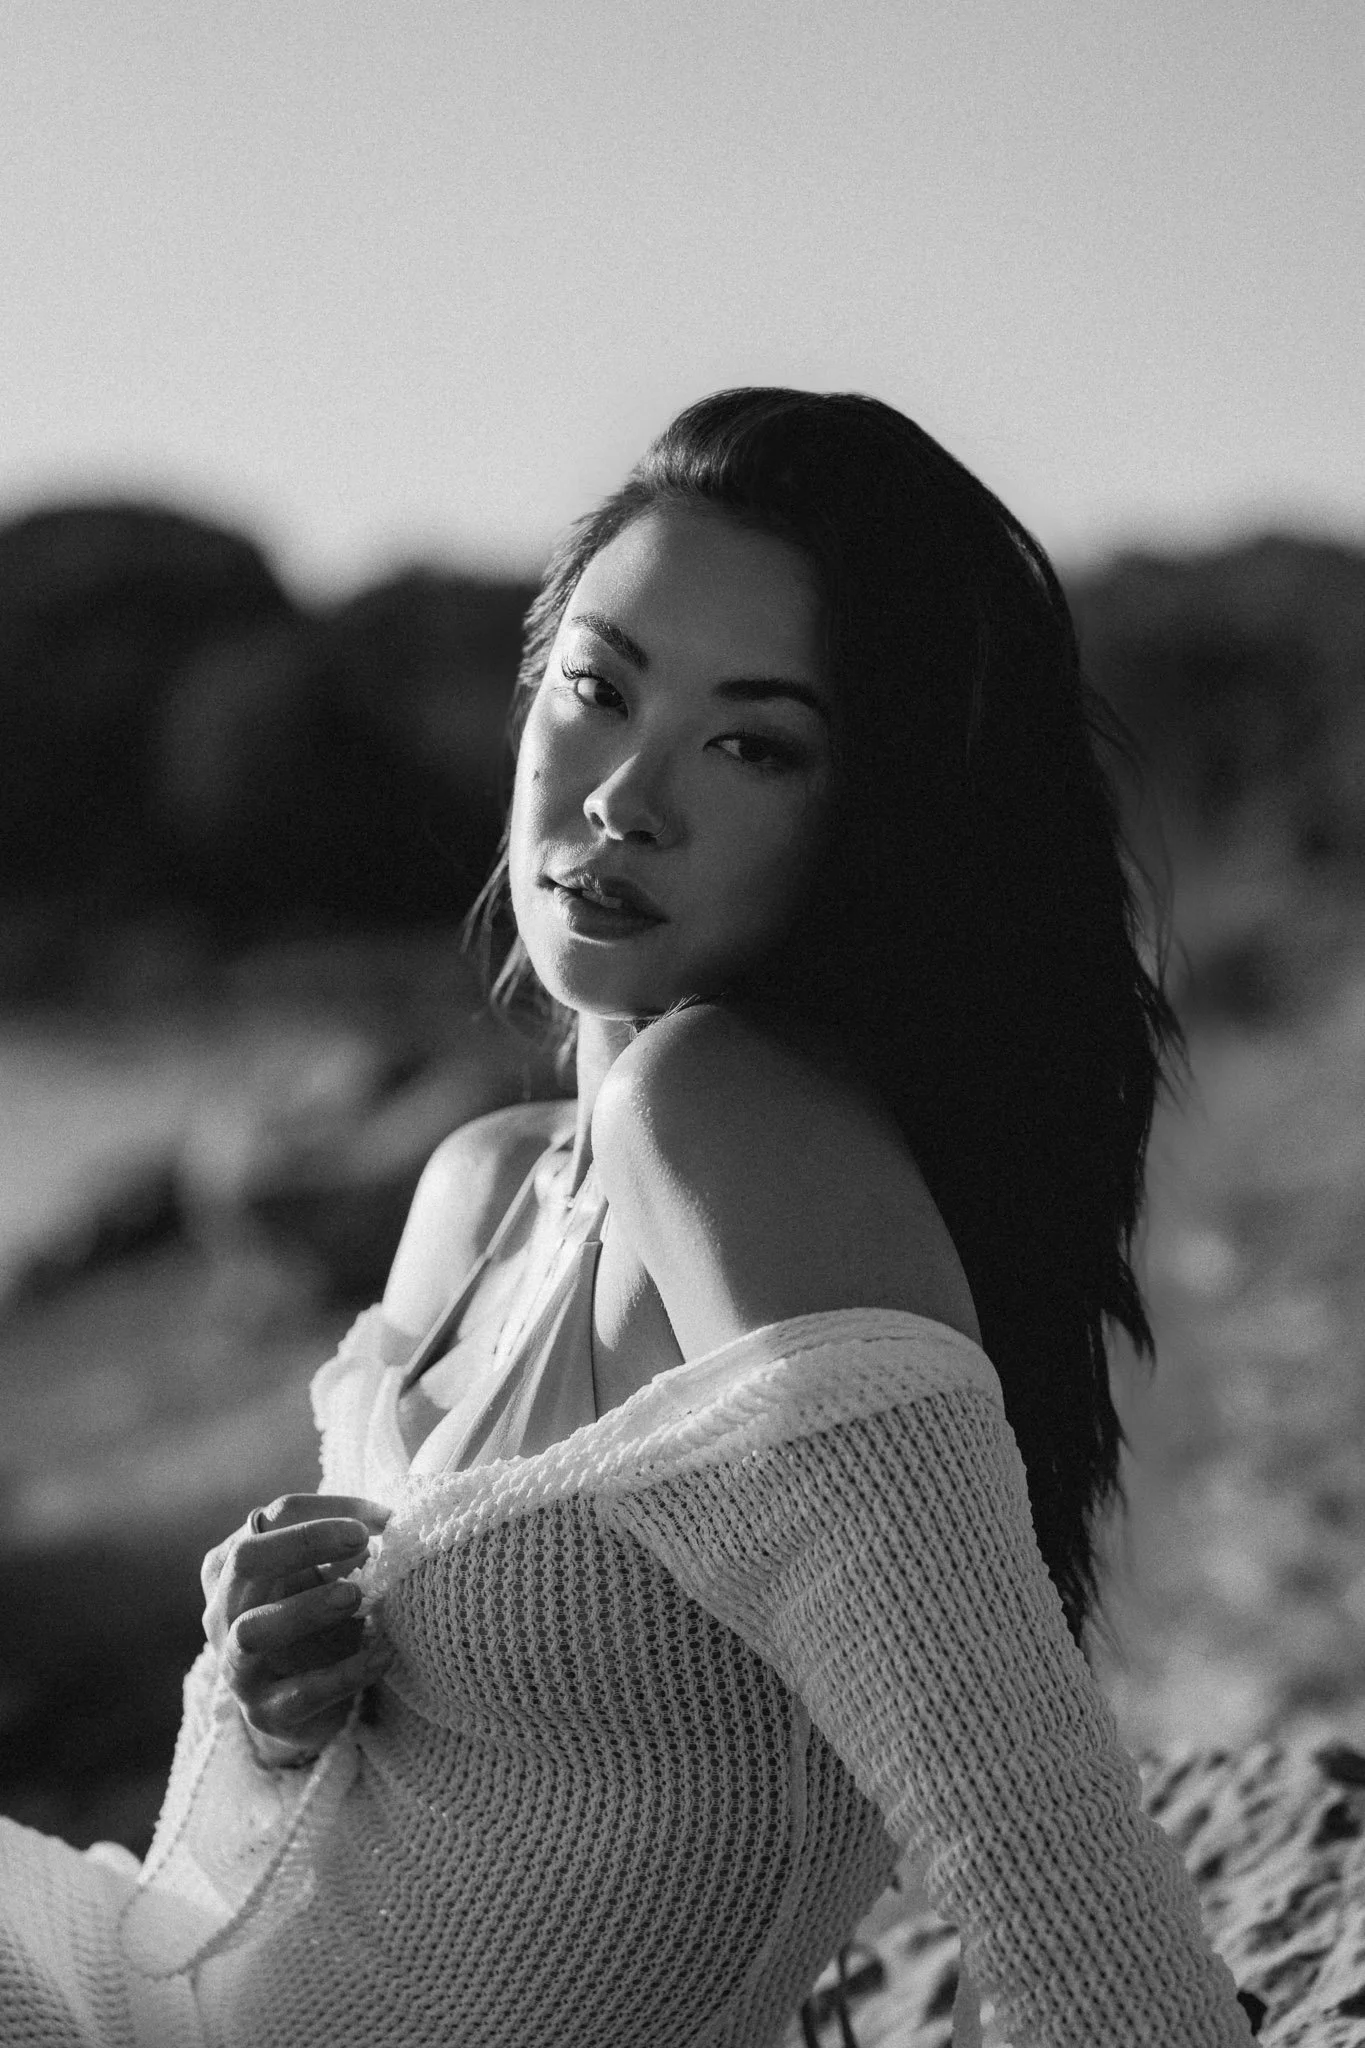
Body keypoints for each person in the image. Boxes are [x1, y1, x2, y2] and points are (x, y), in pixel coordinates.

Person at [0, 388, 1258, 2046]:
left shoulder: (722, 1125)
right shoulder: (483, 1186)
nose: (623, 797)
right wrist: (276, 1694)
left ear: (871, 819)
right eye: (599, 689)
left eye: (753, 742)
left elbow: (1080, 1921)